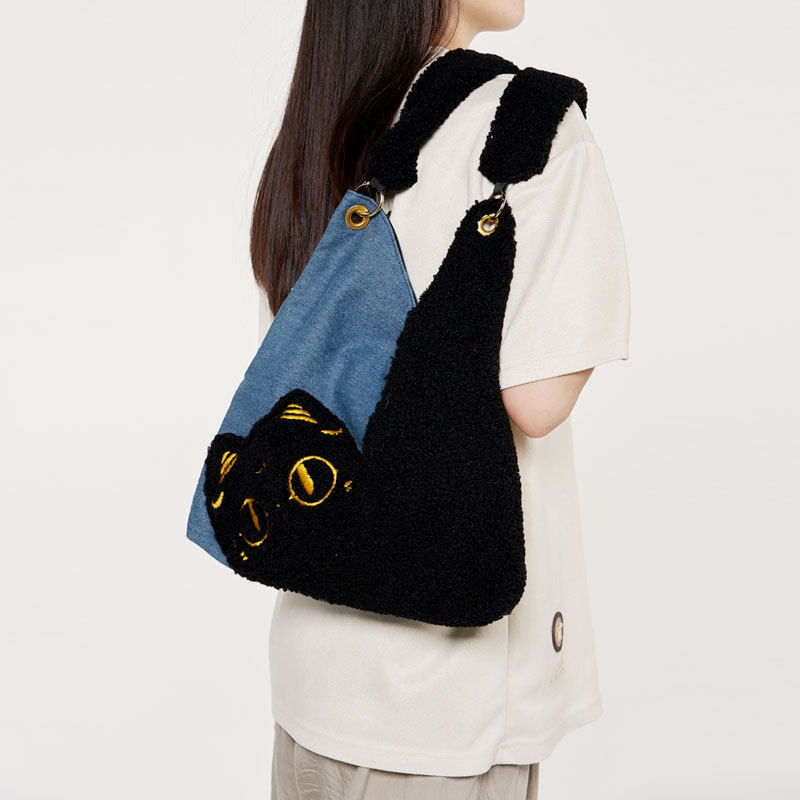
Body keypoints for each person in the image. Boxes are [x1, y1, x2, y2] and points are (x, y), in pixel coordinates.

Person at [251, 2, 631, 798]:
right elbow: (537, 401)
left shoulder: (322, 122)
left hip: (313, 670)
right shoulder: (531, 123)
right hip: (443, 704)